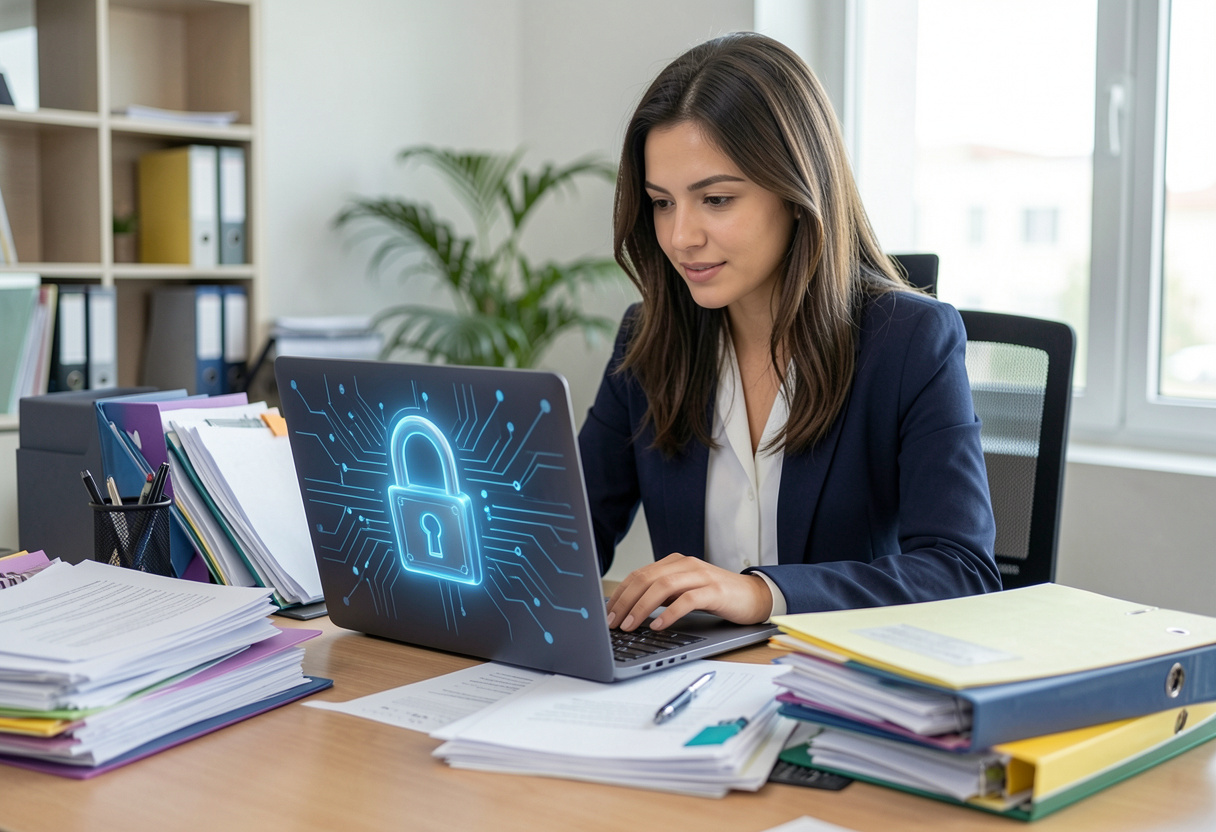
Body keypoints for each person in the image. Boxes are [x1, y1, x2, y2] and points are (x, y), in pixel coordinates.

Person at [578, 32, 1001, 634]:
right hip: (685, 686)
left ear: (798, 192)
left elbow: (961, 574)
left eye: (716, 199)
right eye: (661, 203)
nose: (680, 237)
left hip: (838, 689)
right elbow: (566, 540)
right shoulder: (649, 340)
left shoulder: (911, 342)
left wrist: (762, 594)